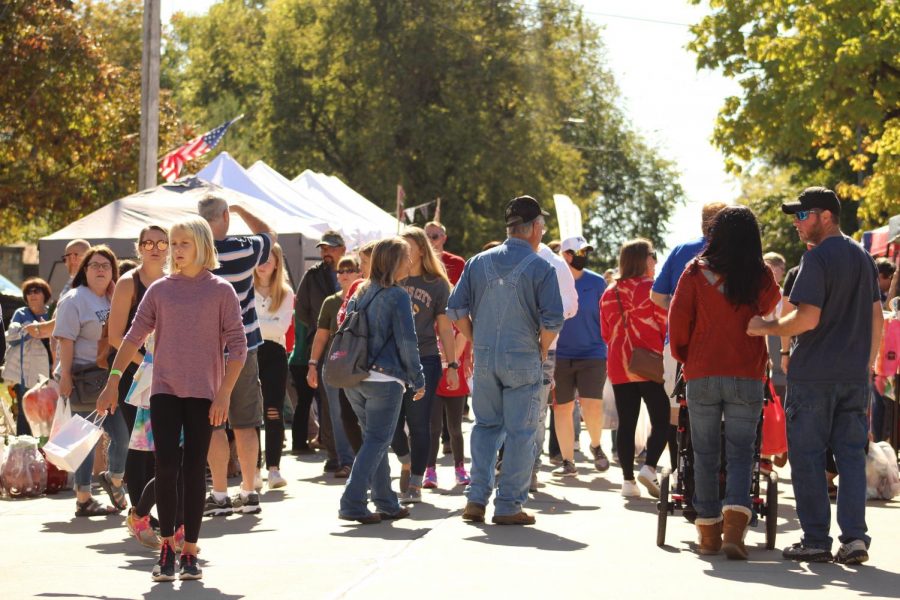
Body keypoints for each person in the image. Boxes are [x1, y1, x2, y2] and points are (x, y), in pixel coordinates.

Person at [97, 217, 247, 581]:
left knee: (195, 471)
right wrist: (113, 381)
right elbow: (133, 337)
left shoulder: (221, 291)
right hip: (163, 391)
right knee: (165, 468)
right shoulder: (160, 290)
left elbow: (238, 347)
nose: (174, 250)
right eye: (172, 244)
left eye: (182, 244)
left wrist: (224, 394)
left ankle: (191, 549)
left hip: (204, 395)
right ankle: (167, 547)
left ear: (201, 245)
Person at [748, 187, 882, 565]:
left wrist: (765, 327)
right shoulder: (862, 256)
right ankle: (855, 539)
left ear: (826, 216)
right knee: (851, 458)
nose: (796, 223)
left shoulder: (818, 257)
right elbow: (876, 319)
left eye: (802, 215)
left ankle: (816, 540)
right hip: (853, 377)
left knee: (807, 458)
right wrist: (866, 366)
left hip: (814, 377)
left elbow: (807, 317)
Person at [669, 206, 780, 559]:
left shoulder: (693, 272)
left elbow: (677, 324)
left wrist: (689, 357)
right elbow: (772, 311)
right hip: (746, 373)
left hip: (702, 372)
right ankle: (735, 530)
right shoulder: (759, 274)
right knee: (741, 452)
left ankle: (708, 534)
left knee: (703, 452)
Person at [448, 195, 564, 525]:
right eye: (540, 225)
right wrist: (542, 348)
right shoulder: (542, 267)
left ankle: (476, 499)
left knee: (485, 427)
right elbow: (553, 319)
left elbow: (455, 311)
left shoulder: (477, 262)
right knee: (521, 432)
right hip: (524, 356)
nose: (541, 231)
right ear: (532, 229)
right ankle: (509, 504)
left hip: (485, 357)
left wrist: (476, 340)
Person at [338, 237, 424, 524]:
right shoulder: (397, 295)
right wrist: (418, 378)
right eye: (406, 257)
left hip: (354, 376)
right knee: (377, 441)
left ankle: (386, 501)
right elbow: (406, 342)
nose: (410, 262)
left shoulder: (360, 291)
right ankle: (352, 502)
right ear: (394, 262)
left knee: (372, 441)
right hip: (384, 379)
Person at [198, 196, 274, 516]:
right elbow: (269, 235)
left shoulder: (196, 253)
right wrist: (243, 211)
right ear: (226, 216)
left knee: (214, 424)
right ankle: (248, 489)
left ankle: (218, 494)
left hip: (205, 350)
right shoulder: (244, 248)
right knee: (245, 422)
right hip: (244, 347)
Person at [53, 245, 130, 516]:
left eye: (106, 266)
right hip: (84, 377)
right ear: (84, 270)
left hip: (109, 377)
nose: (100, 270)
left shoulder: (113, 297)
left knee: (122, 435)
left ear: (113, 272)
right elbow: (65, 340)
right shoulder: (75, 299)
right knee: (85, 440)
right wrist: (66, 377)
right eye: (94, 265)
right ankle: (84, 497)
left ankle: (114, 479)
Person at [387, 227, 457, 503]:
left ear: (420, 249)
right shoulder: (390, 280)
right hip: (390, 360)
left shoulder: (436, 284)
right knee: (390, 421)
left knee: (419, 423)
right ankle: (405, 460)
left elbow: (445, 326)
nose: (403, 249)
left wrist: (452, 364)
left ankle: (416, 482)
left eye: (408, 245)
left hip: (425, 358)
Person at [600, 239, 668, 499]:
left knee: (626, 423)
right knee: (662, 420)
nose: (655, 260)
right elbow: (665, 326)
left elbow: (605, 332)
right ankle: (649, 466)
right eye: (653, 255)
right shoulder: (651, 289)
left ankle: (628, 481)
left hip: (619, 364)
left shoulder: (609, 292)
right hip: (650, 364)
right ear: (643, 259)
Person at [107, 226, 168, 509]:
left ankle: (153, 508)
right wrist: (146, 359)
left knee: (163, 444)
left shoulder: (174, 281)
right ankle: (139, 511)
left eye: (161, 242)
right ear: (139, 247)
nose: (155, 248)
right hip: (135, 372)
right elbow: (115, 336)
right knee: (140, 441)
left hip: (167, 372)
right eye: (148, 243)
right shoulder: (128, 283)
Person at [552, 236, 610, 477]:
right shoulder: (552, 282)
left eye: (586, 251)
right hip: (559, 355)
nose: (583, 256)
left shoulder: (597, 283)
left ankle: (595, 445)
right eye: (578, 252)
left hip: (593, 353)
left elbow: (607, 318)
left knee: (592, 406)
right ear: (565, 255)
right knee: (562, 409)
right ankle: (568, 461)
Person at [292, 231, 345, 470]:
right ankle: (333, 454)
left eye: (331, 248)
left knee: (352, 399)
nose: (326, 253)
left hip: (352, 343)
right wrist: (318, 326)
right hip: (324, 343)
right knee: (327, 401)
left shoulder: (353, 271)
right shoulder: (312, 276)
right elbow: (301, 310)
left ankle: (352, 451)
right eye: (323, 249)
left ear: (342, 249)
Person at [307, 255, 362, 478]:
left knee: (361, 415)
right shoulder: (330, 302)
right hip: (335, 366)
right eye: (340, 271)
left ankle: (364, 459)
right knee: (338, 416)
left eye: (350, 269)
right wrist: (312, 364)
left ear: (360, 272)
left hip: (362, 367)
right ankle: (346, 461)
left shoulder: (369, 297)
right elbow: (320, 337)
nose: (344, 274)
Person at [531, 241, 579, 490]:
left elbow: (571, 305)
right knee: (504, 411)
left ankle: (530, 471)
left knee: (538, 412)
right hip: (506, 345)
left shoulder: (556, 264)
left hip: (544, 349)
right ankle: (507, 465)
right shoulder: (500, 258)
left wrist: (545, 313)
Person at [253, 243, 295, 489]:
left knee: (273, 410)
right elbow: (240, 324)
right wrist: (265, 322)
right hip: (249, 352)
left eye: (268, 259)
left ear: (277, 263)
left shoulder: (286, 292)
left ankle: (274, 469)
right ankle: (253, 469)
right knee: (251, 413)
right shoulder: (245, 290)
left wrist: (259, 322)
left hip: (275, 353)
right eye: (259, 259)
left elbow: (280, 328)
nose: (262, 265)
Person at [3, 278, 54, 437]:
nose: (32, 295)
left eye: (36, 291)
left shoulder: (51, 312)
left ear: (45, 294)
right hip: (24, 372)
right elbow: (12, 336)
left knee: (48, 411)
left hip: (50, 371)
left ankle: (44, 449)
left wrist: (42, 329)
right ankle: (23, 447)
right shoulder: (21, 313)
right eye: (29, 292)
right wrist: (33, 330)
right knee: (26, 411)